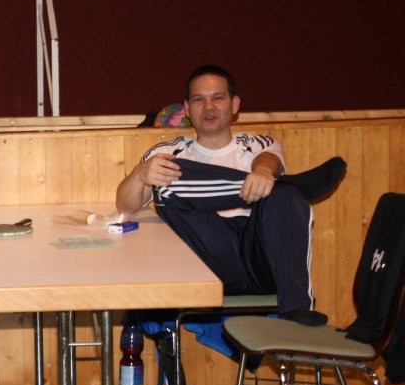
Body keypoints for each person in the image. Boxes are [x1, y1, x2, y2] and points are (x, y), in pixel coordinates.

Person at [116, 64, 346, 327]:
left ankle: (296, 308)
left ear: (235, 104)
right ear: (187, 109)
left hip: (261, 258)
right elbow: (125, 205)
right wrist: (139, 174)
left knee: (281, 196)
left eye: (218, 98)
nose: (209, 107)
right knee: (168, 181)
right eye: (199, 100)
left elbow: (268, 159)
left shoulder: (258, 144)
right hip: (207, 260)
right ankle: (294, 184)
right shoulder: (168, 152)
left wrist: (263, 172)